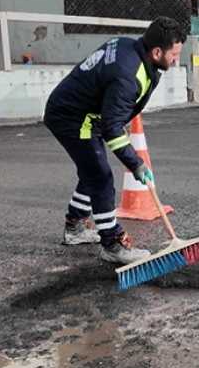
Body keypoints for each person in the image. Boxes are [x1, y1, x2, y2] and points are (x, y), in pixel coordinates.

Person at [43, 17, 187, 263]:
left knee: (91, 170)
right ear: (156, 52)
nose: (176, 60)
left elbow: (113, 113)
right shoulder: (128, 75)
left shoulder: (129, 47)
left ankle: (75, 227)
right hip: (72, 116)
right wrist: (135, 163)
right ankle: (111, 244)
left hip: (84, 112)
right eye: (174, 54)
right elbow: (112, 127)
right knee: (100, 177)